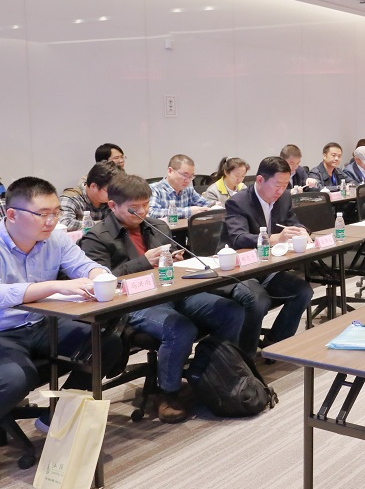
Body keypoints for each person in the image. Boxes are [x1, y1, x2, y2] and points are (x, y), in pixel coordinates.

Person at [80, 175, 243, 423]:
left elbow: (171, 261)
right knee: (180, 328)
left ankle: (211, 371)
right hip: (132, 303)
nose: (142, 212)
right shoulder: (96, 237)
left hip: (172, 292)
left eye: (146, 204)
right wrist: (144, 262)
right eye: (134, 208)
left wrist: (175, 259)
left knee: (231, 311)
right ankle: (167, 393)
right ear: (112, 205)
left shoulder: (157, 226)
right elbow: (102, 281)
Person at [0, 177, 123, 426]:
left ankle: (57, 418)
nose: (52, 221)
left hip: (41, 323)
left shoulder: (55, 239)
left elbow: (85, 265)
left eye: (55, 213)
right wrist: (54, 286)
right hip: (4, 331)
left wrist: (99, 278)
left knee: (106, 343)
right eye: (42, 214)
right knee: (17, 378)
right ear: (12, 215)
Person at [221, 157, 315, 352]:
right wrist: (273, 238)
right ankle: (245, 356)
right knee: (258, 300)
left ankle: (275, 345)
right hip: (238, 270)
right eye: (277, 185)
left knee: (303, 291)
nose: (281, 191)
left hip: (266, 267)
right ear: (260, 180)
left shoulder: (284, 198)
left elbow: (293, 222)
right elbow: (238, 238)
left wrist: (302, 231)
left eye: (285, 185)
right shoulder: (238, 202)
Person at [58, 160, 121, 230]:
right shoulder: (70, 198)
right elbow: (65, 224)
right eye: (110, 191)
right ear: (93, 186)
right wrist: (104, 224)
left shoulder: (111, 200)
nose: (114, 195)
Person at [149, 154, 215, 219]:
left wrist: (215, 206)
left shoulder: (188, 189)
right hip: (165, 226)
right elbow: (152, 213)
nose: (188, 181)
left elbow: (206, 204)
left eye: (191, 176)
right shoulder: (154, 189)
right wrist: (189, 211)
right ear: (170, 171)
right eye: (184, 175)